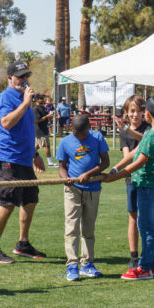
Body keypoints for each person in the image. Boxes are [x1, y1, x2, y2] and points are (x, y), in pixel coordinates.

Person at [0, 61, 46, 264]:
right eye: (20, 76)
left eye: (26, 75)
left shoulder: (23, 99)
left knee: (30, 200)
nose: (24, 80)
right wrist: (24, 103)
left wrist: (35, 155)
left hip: (24, 159)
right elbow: (6, 123)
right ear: (10, 78)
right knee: (8, 203)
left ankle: (23, 244)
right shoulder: (6, 98)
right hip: (9, 159)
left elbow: (26, 131)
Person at [106, 97, 154, 280]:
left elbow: (140, 160)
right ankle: (152, 265)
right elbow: (134, 153)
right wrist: (116, 168)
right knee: (144, 224)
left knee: (146, 227)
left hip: (148, 185)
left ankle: (146, 267)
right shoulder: (152, 132)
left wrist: (117, 176)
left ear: (147, 114)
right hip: (145, 185)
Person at [56, 114, 109, 282]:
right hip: (73, 190)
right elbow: (62, 167)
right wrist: (66, 179)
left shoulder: (97, 137)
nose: (79, 137)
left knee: (88, 228)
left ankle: (87, 264)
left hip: (93, 188)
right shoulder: (65, 142)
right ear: (71, 129)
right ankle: (72, 265)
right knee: (71, 226)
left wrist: (89, 174)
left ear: (88, 129)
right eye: (76, 133)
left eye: (82, 134)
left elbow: (105, 162)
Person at [34, 95, 56, 167]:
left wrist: (51, 116)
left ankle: (26, 156)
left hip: (44, 129)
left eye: (43, 98)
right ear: (37, 99)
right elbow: (36, 120)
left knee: (36, 147)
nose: (43, 100)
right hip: (40, 130)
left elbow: (47, 116)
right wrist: (47, 116)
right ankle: (50, 163)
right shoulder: (36, 109)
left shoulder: (43, 108)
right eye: (41, 98)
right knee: (47, 146)